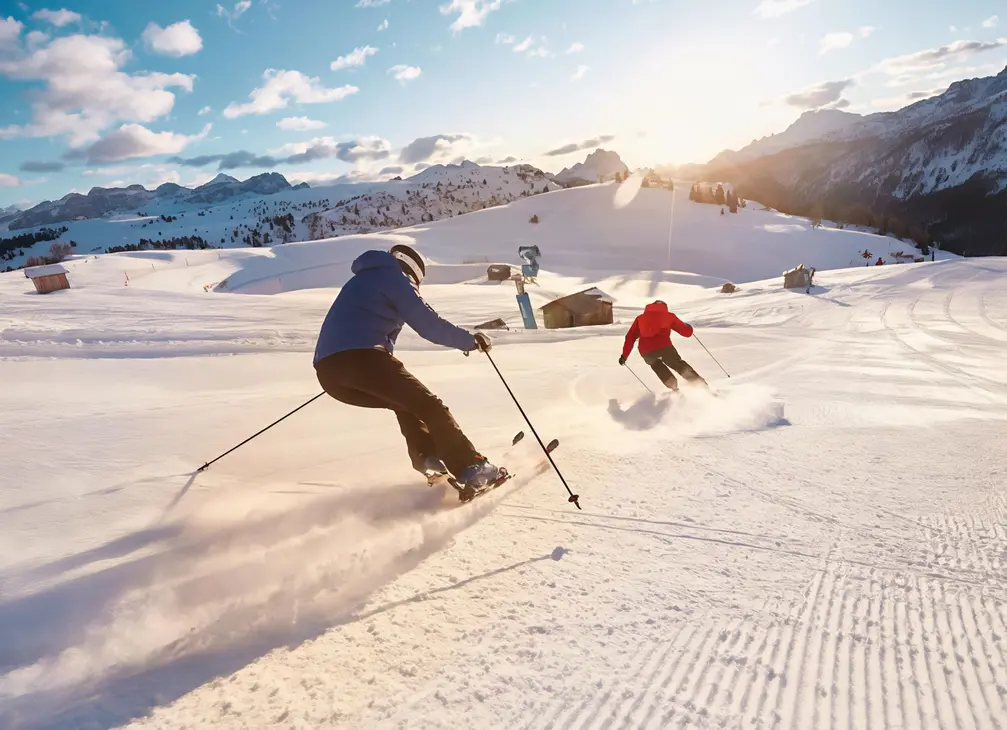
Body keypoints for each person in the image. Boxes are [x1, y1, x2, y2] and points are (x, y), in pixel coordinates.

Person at [312, 243, 500, 488]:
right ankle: (470, 468)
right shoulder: (394, 277)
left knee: (406, 404)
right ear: (413, 272)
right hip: (363, 359)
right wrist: (470, 340)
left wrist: (347, 370)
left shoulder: (362, 280)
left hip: (329, 372)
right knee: (430, 405)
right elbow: (429, 325)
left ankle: (428, 459)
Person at [619, 300, 707, 391]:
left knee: (657, 366)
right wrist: (689, 328)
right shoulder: (669, 316)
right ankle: (701, 385)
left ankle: (674, 388)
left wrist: (624, 356)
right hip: (665, 348)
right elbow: (686, 332)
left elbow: (630, 337)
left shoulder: (640, 318)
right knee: (678, 365)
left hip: (646, 351)